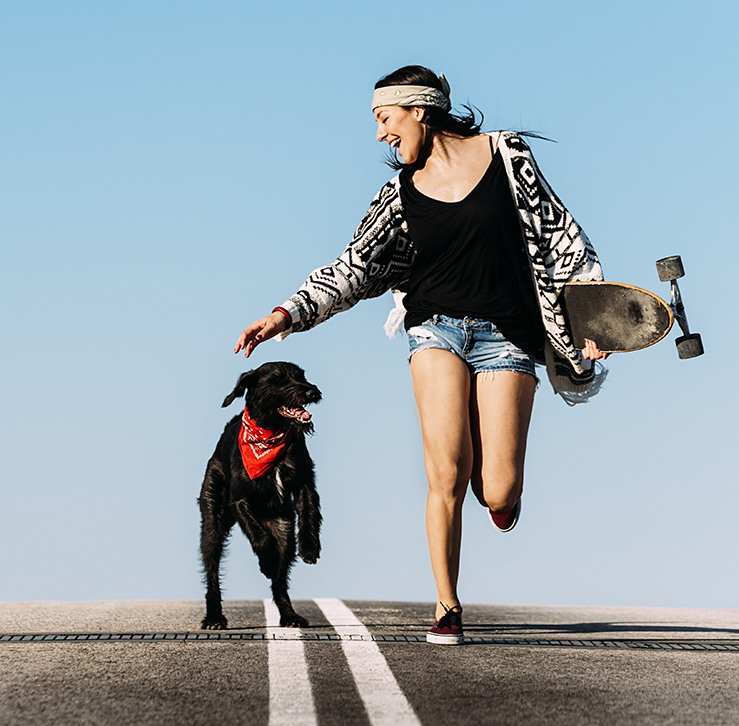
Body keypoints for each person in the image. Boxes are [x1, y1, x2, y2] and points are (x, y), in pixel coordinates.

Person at [235, 65, 607, 645]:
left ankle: (496, 486)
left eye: (385, 119)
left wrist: (593, 314)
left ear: (419, 109)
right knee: (444, 472)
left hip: (507, 333)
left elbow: (560, 235)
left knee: (500, 489)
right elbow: (354, 267)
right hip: (434, 330)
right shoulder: (399, 196)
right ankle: (447, 605)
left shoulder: (507, 158)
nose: (381, 134)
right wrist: (287, 313)